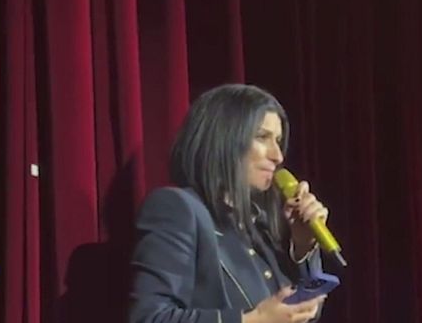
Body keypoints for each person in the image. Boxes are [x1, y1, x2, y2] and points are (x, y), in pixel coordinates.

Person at [128, 84, 333, 323]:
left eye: (278, 141)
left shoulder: (259, 224)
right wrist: (253, 320)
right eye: (262, 137)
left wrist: (302, 246)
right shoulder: (177, 208)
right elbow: (149, 318)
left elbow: (304, 314)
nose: (277, 155)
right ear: (223, 139)